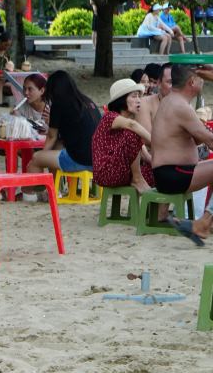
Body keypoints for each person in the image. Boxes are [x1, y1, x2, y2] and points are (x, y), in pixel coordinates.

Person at [149, 65, 213, 244]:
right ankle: (204, 223)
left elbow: (195, 139)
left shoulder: (173, 101)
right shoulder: (179, 106)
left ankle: (205, 222)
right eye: (201, 79)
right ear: (192, 82)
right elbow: (210, 141)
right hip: (173, 174)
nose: (204, 82)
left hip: (172, 172)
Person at [25, 70, 101, 182]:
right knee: (57, 146)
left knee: (36, 159)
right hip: (99, 160)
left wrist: (42, 155)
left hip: (80, 160)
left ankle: (32, 194)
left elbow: (52, 136)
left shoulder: (59, 103)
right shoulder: (86, 101)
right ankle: (56, 191)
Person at [91, 79, 153, 194]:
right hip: (106, 173)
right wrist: (157, 143)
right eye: (134, 97)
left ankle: (145, 210)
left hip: (121, 172)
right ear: (121, 100)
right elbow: (133, 126)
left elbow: (142, 151)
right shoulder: (109, 117)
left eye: (139, 96)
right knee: (134, 132)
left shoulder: (129, 124)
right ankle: (137, 179)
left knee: (155, 171)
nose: (139, 100)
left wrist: (154, 161)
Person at [137, 62, 173, 135]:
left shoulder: (185, 104)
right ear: (159, 83)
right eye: (170, 82)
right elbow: (146, 138)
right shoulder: (144, 103)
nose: (174, 86)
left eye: (178, 82)